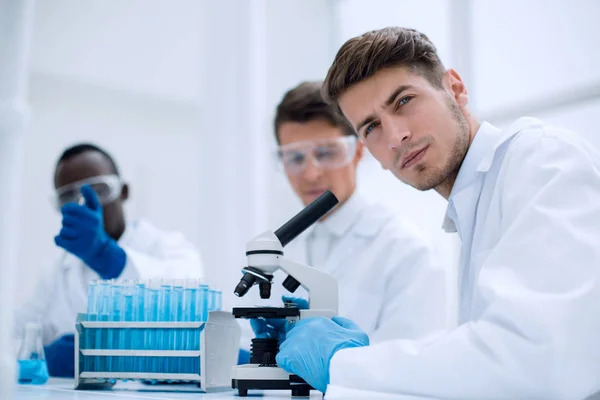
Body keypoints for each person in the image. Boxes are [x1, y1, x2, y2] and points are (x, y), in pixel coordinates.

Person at [274, 27, 600, 398]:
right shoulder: (476, 204)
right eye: (372, 126)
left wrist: (343, 363)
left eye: (403, 101)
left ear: (455, 88)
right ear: (370, 152)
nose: (395, 136)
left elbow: (533, 359)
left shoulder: (543, 161)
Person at [246, 81, 449, 348]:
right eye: (295, 158)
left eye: (327, 153)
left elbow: (411, 365)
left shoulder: (407, 250)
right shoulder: (276, 249)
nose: (310, 174)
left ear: (358, 151)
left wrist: (336, 362)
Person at [15, 143, 204, 377]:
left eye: (97, 190)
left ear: (123, 191)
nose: (85, 203)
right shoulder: (56, 271)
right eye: (68, 197)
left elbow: (189, 295)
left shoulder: (167, 247)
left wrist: (106, 255)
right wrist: (42, 356)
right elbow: (13, 337)